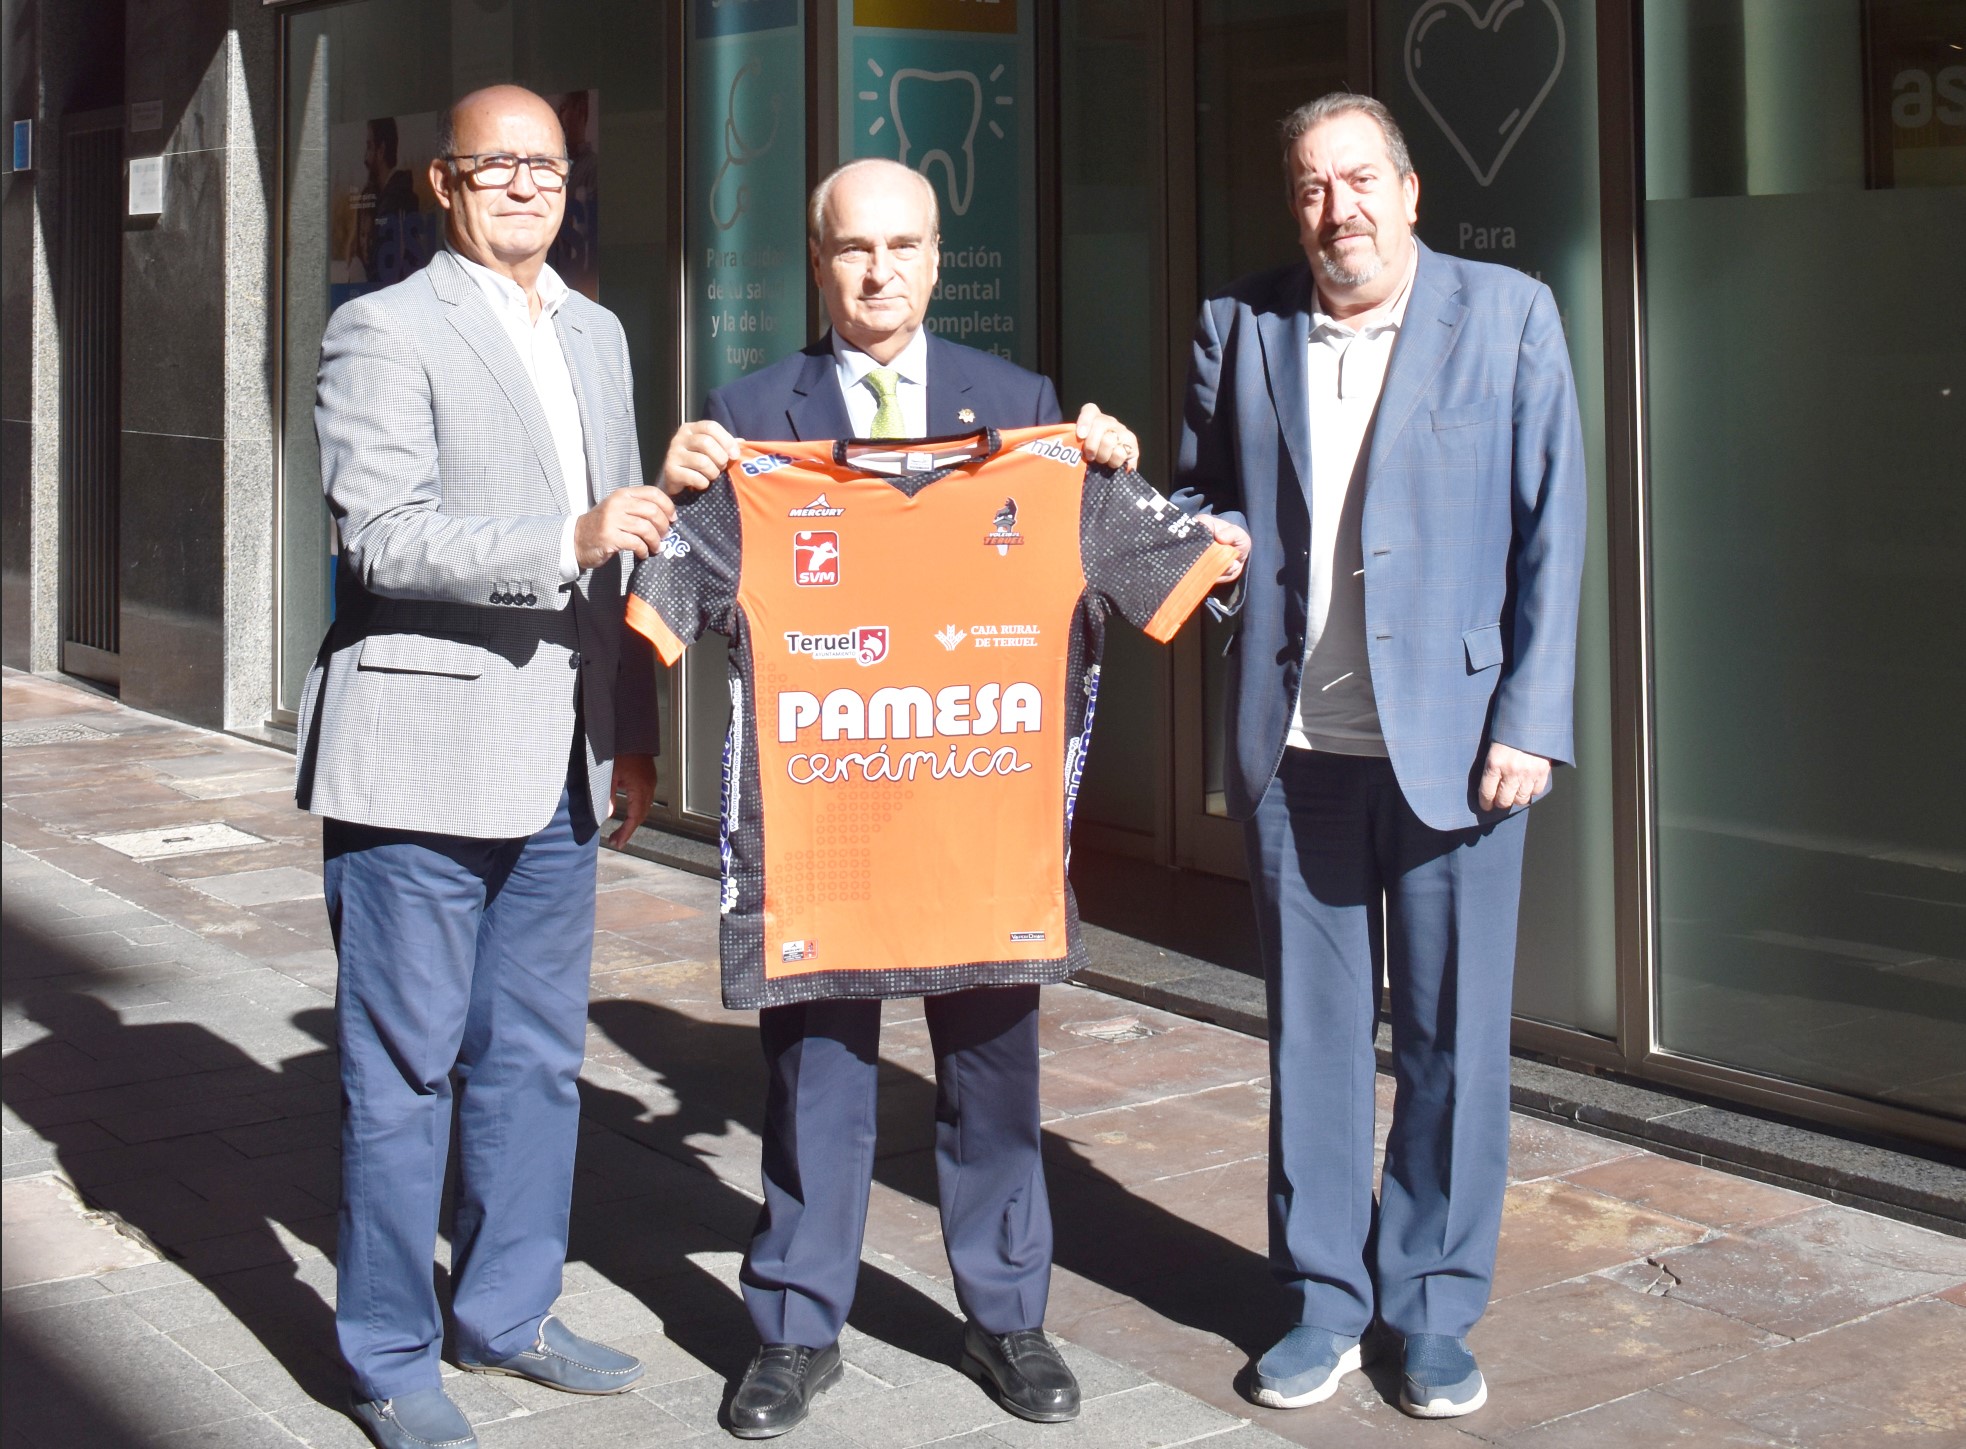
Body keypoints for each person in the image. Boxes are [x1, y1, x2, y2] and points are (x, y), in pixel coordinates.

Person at [660, 157, 1244, 1439]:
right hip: (829, 818)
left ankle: (1007, 1318)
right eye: (853, 248)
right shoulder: (748, 418)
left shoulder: (1023, 406)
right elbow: (673, 592)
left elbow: (1163, 567)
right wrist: (671, 491)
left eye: (903, 247)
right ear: (818, 262)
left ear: (936, 259)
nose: (879, 272)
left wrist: (1117, 470)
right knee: (815, 1073)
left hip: (980, 812)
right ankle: (794, 1329)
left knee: (993, 1075)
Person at [1171, 93, 1585, 1419]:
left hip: (1460, 747)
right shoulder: (1239, 324)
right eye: (1310, 186)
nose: (1334, 208)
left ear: (1409, 193)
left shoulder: (1506, 314)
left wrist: (1530, 717)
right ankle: (1322, 1302)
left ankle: (1433, 1310)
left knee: (1454, 1039)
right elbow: (1201, 505)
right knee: (1313, 1037)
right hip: (1297, 747)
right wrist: (1192, 544)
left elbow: (1553, 526)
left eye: (1358, 180)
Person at [295, 84, 677, 1449]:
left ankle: (507, 1313)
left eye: (547, 166)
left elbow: (625, 550)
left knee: (533, 1063)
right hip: (419, 759)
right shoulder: (383, 328)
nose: (525, 185)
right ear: (444, 184)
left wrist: (632, 731)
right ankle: (390, 1355)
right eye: (496, 165)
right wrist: (562, 539)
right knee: (403, 1073)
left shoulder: (598, 332)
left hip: (564, 758)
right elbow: (382, 534)